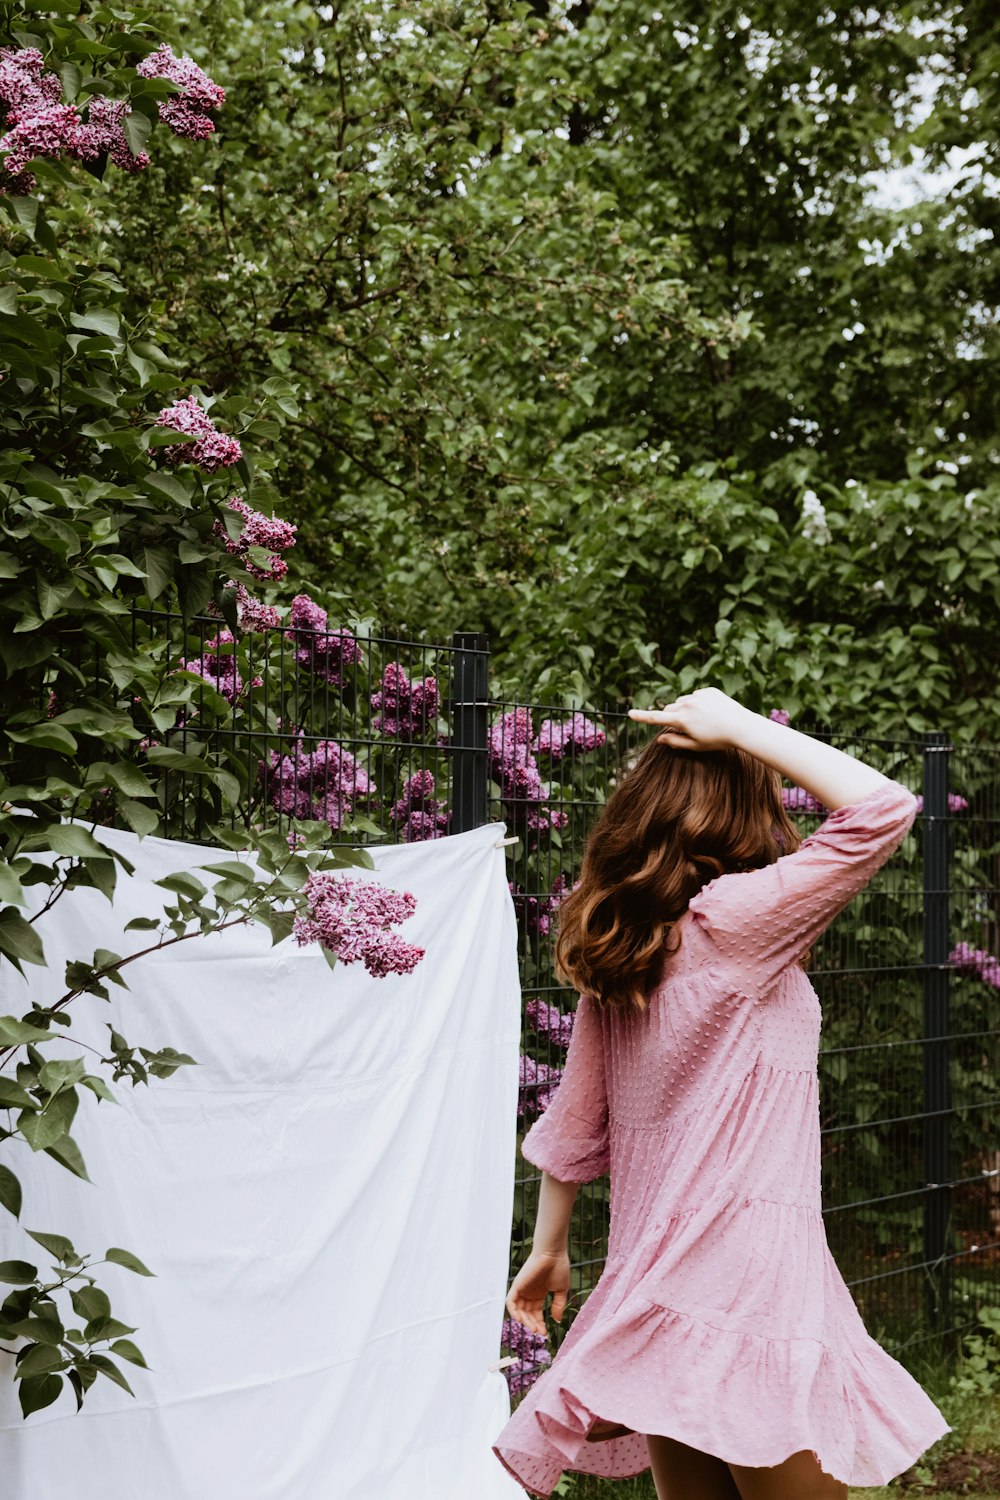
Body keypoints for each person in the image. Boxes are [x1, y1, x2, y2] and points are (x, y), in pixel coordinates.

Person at [492, 688, 950, 1500]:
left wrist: (549, 1247)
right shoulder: (734, 921)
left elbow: (573, 1123)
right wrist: (740, 727)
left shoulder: (627, 947)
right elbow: (884, 809)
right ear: (743, 807)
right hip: (748, 1285)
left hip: (662, 1285)